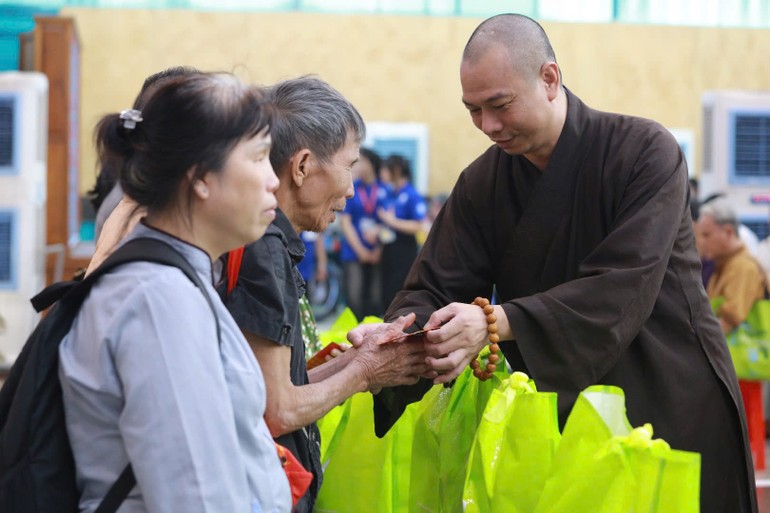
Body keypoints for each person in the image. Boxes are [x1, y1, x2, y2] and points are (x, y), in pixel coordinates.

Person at [350, 13, 756, 513]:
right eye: (473, 110)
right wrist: (397, 336)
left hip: (667, 394)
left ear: (549, 78)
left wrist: (495, 321)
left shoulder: (644, 152)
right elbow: (435, 282)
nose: (488, 126)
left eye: (500, 105)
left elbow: (620, 287)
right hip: (558, 411)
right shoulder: (482, 183)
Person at [59, 72, 292, 512]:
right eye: (260, 157)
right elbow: (196, 497)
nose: (274, 180)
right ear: (201, 176)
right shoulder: (158, 299)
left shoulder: (180, 279)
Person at [220, 76, 432, 513]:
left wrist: (361, 357)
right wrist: (367, 373)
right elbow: (277, 411)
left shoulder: (266, 243)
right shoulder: (263, 250)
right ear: (301, 167)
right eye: (349, 165)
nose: (352, 190)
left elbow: (279, 388)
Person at [699, 199, 768, 470]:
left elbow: (731, 316)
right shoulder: (725, 264)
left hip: (738, 362)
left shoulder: (742, 267)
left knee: (743, 417)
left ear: (728, 232)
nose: (701, 242)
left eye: (706, 235)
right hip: (732, 361)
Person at [339, 147, 386, 319]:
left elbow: (387, 223)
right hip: (353, 252)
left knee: (375, 297)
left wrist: (377, 250)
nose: (357, 166)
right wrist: (361, 251)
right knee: (354, 296)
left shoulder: (384, 189)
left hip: (378, 253)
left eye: (361, 162)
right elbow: (346, 222)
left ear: (371, 164)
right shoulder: (352, 189)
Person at [377, 154, 427, 310]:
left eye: (385, 169)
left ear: (397, 170)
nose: (381, 173)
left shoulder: (412, 195)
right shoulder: (391, 193)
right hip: (388, 248)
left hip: (405, 249)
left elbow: (418, 225)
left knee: (398, 288)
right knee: (386, 288)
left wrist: (392, 221)